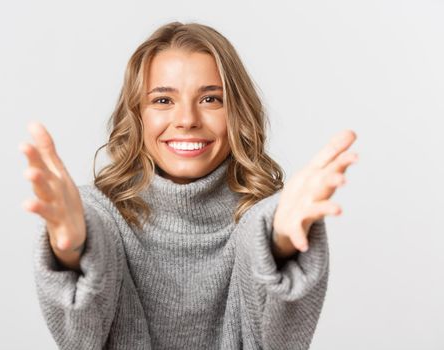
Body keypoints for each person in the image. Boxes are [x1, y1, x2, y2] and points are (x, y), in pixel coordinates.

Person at [19, 21, 358, 350]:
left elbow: (279, 332)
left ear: (237, 112)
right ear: (136, 114)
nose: (187, 120)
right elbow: (81, 337)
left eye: (211, 99)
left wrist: (279, 243)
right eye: (163, 101)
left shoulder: (264, 215)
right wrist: (74, 249)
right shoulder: (100, 215)